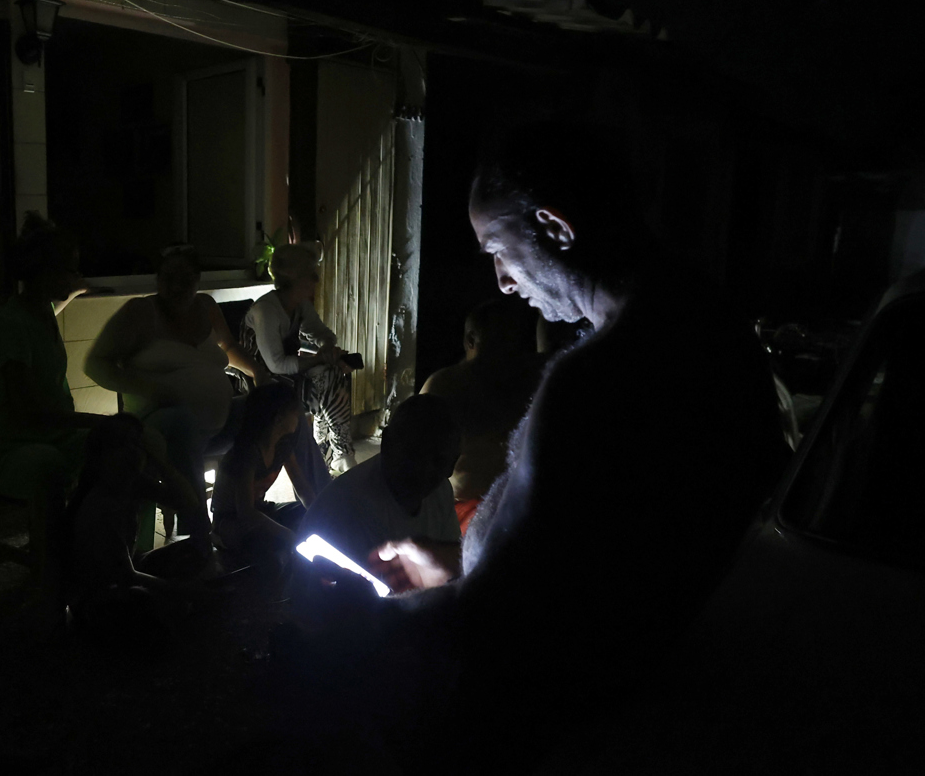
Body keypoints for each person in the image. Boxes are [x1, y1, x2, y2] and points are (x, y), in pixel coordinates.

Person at [292, 124, 789, 773]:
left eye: (499, 249)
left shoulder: (602, 381)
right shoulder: (720, 334)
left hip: (552, 716)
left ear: (555, 228)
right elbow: (593, 553)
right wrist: (459, 560)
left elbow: (505, 628)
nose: (500, 281)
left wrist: (375, 621)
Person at [0, 213, 182, 623]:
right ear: (43, 272)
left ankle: (129, 555)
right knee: (53, 465)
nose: (76, 275)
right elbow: (26, 411)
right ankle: (53, 596)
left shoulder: (40, 312)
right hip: (17, 443)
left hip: (56, 435)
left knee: (137, 443)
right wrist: (93, 424)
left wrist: (77, 291)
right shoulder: (12, 323)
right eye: (69, 268)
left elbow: (56, 304)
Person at [84, 246, 271, 521]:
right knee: (182, 421)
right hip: (162, 429)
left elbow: (228, 347)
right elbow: (95, 364)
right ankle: (199, 532)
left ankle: (258, 508)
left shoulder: (206, 306)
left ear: (197, 280)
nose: (176, 287)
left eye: (185, 279)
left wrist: (258, 371)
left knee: (276, 404)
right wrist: (154, 391)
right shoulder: (140, 312)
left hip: (217, 427)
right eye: (167, 278)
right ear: (157, 280)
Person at [297, 394, 462, 592]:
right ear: (386, 444)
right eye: (414, 454)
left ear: (451, 466)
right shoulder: (344, 512)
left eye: (438, 461)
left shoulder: (441, 491)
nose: (424, 469)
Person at [420, 297, 546, 534]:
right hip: (500, 506)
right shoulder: (540, 375)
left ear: (470, 340)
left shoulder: (445, 385)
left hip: (493, 507)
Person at [241, 244, 358, 473]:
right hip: (261, 379)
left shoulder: (300, 305)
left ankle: (335, 451)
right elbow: (276, 364)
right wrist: (319, 359)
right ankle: (335, 450)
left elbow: (322, 333)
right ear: (294, 278)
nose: (316, 279)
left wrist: (326, 349)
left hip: (288, 375)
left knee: (336, 370)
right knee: (325, 377)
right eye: (311, 274)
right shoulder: (267, 310)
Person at [211, 381, 329, 560]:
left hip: (259, 512)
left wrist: (319, 517)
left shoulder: (283, 446)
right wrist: (288, 536)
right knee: (273, 543)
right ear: (278, 418)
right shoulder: (247, 452)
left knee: (301, 513)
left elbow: (302, 488)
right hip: (232, 522)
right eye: (294, 412)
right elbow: (246, 513)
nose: (299, 417)